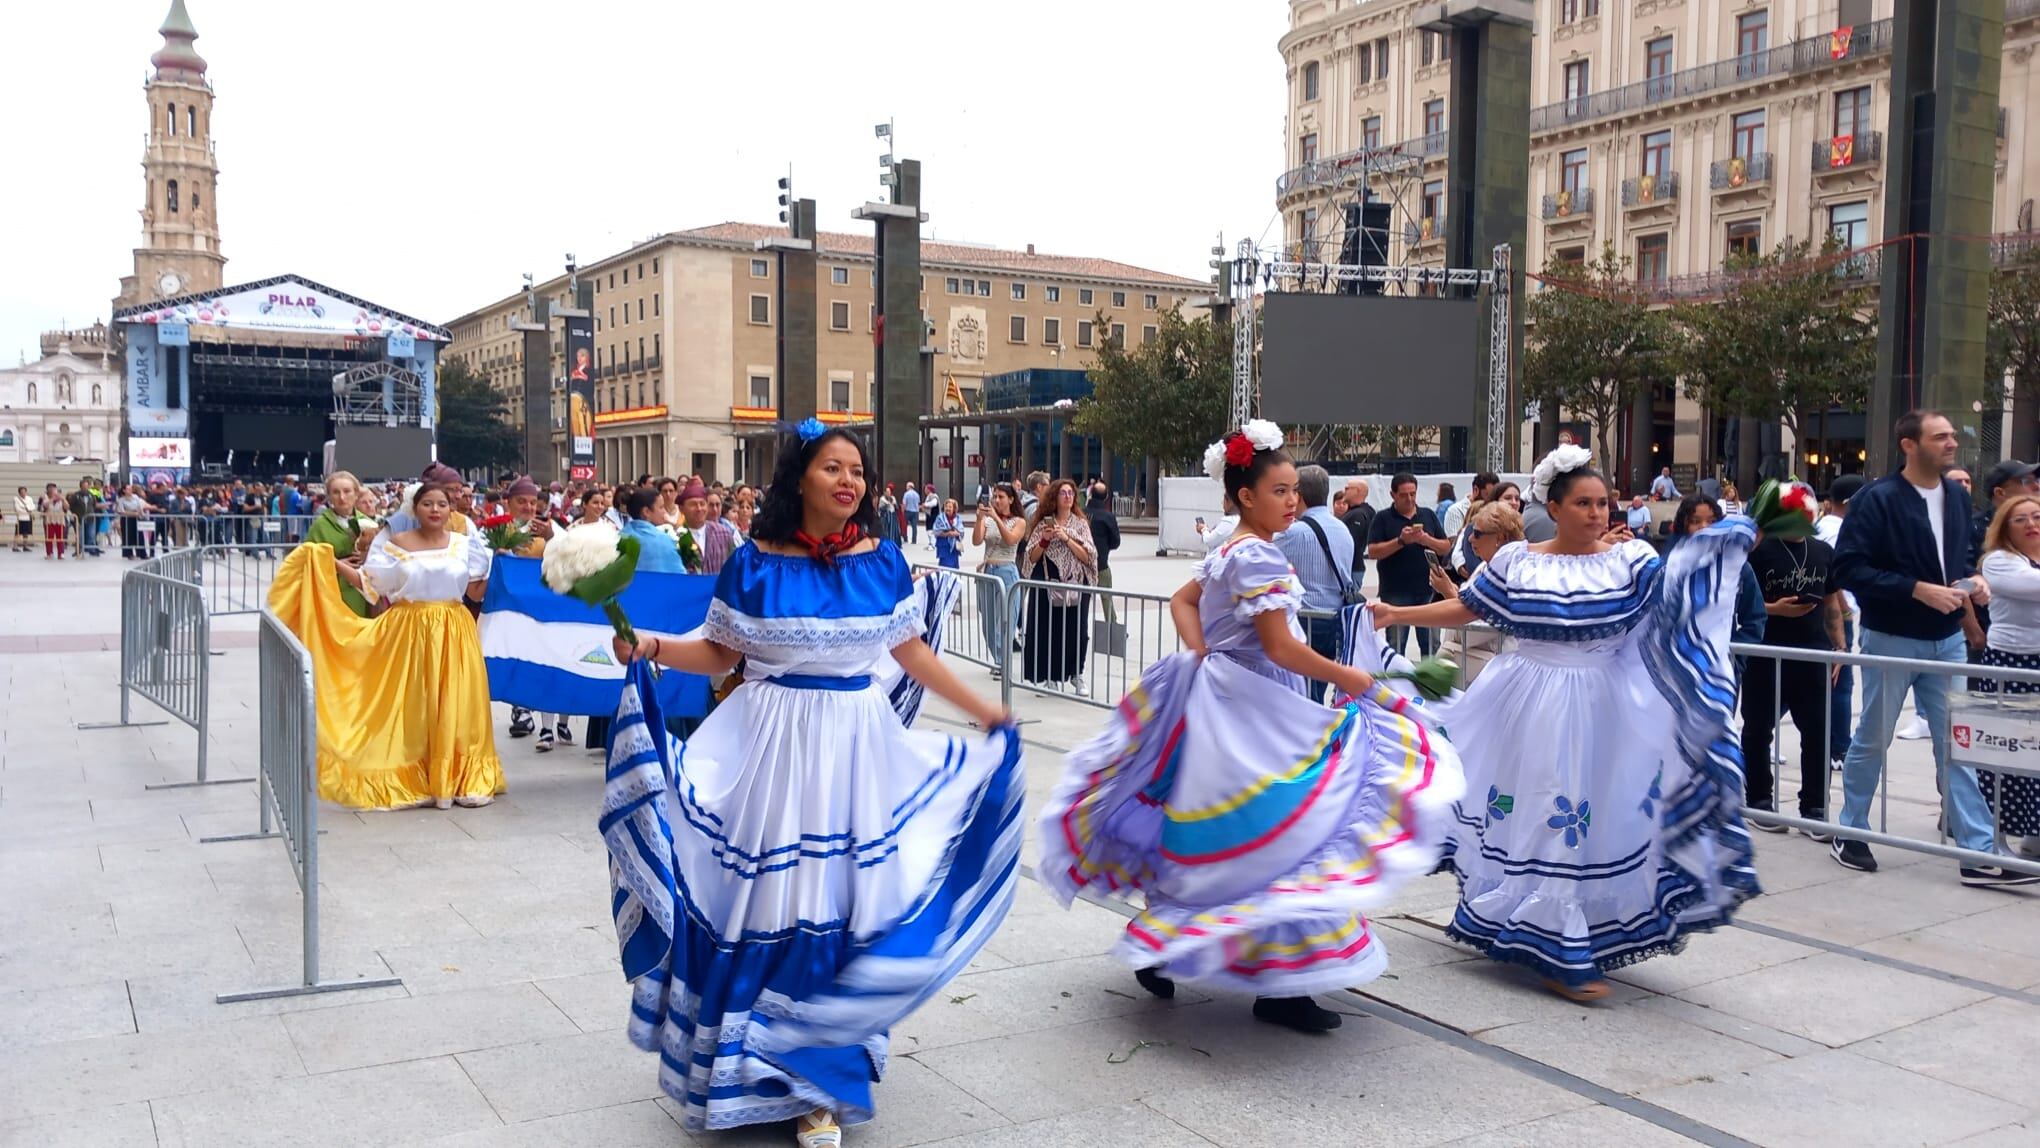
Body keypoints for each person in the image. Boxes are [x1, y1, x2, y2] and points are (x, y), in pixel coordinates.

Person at [603, 423, 1019, 1143]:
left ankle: (816, 1085)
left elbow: (909, 651)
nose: (849, 481)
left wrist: (984, 708)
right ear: (801, 478)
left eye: (858, 469)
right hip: (768, 752)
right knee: (759, 902)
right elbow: (719, 652)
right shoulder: (754, 563)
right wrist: (652, 646)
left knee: (840, 905)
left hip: (856, 753)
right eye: (833, 467)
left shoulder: (884, 561)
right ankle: (744, 1068)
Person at [1036, 421, 1462, 1034]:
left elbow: (1187, 604)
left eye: (1294, 490)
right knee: (1281, 833)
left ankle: (1181, 947)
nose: (1293, 501)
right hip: (1257, 705)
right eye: (1282, 490)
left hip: (1236, 700)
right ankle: (1275, 984)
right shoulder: (1255, 553)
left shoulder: (1230, 548)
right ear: (1245, 496)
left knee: (1233, 830)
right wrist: (1352, 679)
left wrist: (1204, 659)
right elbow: (1281, 648)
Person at [1373, 445, 1760, 1000]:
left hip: (1602, 705)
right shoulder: (1515, 562)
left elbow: (1679, 602)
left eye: (1602, 503)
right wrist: (1396, 613)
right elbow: (1469, 607)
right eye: (1583, 503)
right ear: (1553, 508)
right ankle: (1556, 943)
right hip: (1526, 699)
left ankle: (1565, 928)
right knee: (1546, 806)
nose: (1597, 513)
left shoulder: (1633, 563)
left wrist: (1721, 549)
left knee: (1589, 812)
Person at [1831, 411, 2030, 886]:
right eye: (1939, 437)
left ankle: (1978, 850)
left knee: (1959, 745)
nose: (1951, 443)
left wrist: (1975, 581)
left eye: (1950, 436)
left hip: (1946, 640)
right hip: (1891, 637)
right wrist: (1915, 589)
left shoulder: (1957, 499)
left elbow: (1960, 556)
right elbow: (1848, 568)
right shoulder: (1876, 500)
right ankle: (1850, 829)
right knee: (1873, 737)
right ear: (1908, 445)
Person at [268, 482, 505, 810]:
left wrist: (503, 565)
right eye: (428, 504)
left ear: (451, 510)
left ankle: (461, 776)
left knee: (456, 701)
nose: (435, 510)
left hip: (455, 630)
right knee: (414, 704)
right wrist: (329, 561)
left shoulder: (467, 545)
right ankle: (416, 775)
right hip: (410, 628)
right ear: (415, 509)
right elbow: (370, 585)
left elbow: (476, 593)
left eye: (442, 504)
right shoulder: (395, 544)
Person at [1740, 509, 1847, 835]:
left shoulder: (1822, 551)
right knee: (1758, 729)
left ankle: (1814, 807)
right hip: (1765, 652)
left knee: (1817, 732)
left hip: (1812, 653)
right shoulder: (1758, 550)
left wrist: (1839, 647)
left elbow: (1831, 603)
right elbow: (1741, 599)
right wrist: (1775, 609)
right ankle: (1759, 799)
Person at [1974, 493, 2040, 859]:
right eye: (2021, 519)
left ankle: (2035, 835)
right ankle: (1994, 838)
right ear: (2004, 527)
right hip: (2012, 666)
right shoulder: (1999, 562)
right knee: (2010, 754)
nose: (2031, 524)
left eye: (2037, 516)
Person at [1275, 464, 1356, 702]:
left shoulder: (1293, 533)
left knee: (1301, 693)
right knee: (1316, 687)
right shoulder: (1342, 528)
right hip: (1334, 618)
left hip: (1305, 620)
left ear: (1299, 495)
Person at [1021, 478, 1098, 694]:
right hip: (1049, 581)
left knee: (1078, 630)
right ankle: (1051, 677)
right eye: (1063, 493)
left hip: (1076, 582)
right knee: (1050, 629)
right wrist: (1045, 539)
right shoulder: (1043, 523)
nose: (1067, 496)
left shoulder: (1080, 525)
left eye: (1071, 493)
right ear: (1054, 497)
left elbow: (1089, 556)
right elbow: (1031, 558)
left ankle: (1076, 674)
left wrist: (1066, 538)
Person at [1366, 473, 1454, 658]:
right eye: (1404, 495)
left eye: (1413, 494)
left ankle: (1430, 685)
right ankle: (1397, 684)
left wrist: (1426, 539)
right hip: (1395, 592)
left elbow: (1445, 546)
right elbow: (1373, 551)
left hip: (1428, 590)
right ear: (1393, 495)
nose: (1410, 499)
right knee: (1396, 645)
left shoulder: (1428, 515)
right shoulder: (1382, 518)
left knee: (1431, 645)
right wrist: (1401, 541)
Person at [1817, 474, 1865, 765]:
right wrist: (1845, 609)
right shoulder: (1837, 531)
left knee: (1831, 681)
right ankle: (1839, 747)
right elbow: (1833, 577)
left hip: (1829, 610)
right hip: (1835, 614)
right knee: (1841, 682)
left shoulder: (1825, 527)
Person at [303, 471, 377, 617]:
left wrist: (367, 556)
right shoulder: (320, 526)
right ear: (329, 497)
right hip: (333, 595)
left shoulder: (370, 524)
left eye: (347, 491)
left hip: (364, 597)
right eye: (336, 492)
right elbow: (306, 560)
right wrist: (335, 564)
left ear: (356, 494)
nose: (342, 497)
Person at [974, 483, 1025, 678]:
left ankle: (1003, 662)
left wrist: (997, 518)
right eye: (995, 496)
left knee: (1006, 619)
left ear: (1011, 499)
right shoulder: (988, 520)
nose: (996, 500)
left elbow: (1011, 540)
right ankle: (998, 658)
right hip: (988, 569)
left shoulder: (1019, 521)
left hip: (1007, 570)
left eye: (1001, 497)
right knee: (988, 621)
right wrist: (980, 520)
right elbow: (977, 541)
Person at [1971, 460, 2038, 568]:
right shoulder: (1973, 528)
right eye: (2027, 481)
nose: (2037, 486)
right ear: (2000, 493)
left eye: (2037, 480)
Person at [621, 487, 683, 574]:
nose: (664, 512)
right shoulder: (663, 540)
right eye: (661, 507)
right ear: (646, 512)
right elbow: (679, 577)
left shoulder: (620, 536)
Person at [1085, 482, 1121, 622]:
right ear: (1106, 497)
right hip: (1101, 563)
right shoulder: (1108, 517)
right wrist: (1105, 547)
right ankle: (1111, 624)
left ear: (1091, 494)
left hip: (1082, 563)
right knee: (1106, 597)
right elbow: (1116, 542)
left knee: (1082, 597)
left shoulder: (1082, 513)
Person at [1340, 478, 1374, 587]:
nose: (1344, 491)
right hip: (1352, 568)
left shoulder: (1358, 515)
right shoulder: (1364, 512)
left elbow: (1351, 544)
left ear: (1358, 491)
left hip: (1351, 569)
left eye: (1347, 488)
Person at [1444, 472, 1497, 540]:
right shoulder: (1456, 511)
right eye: (1488, 495)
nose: (1491, 500)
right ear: (1476, 490)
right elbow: (1454, 542)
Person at [931, 497, 964, 569]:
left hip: (954, 548)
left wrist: (956, 533)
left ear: (954, 508)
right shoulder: (940, 518)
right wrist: (947, 534)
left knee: (954, 568)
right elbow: (936, 530)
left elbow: (961, 531)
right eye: (946, 506)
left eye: (950, 507)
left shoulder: (957, 518)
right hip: (944, 546)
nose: (947, 508)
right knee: (945, 568)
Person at [38, 483, 69, 559]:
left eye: (54, 489)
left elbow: (67, 507)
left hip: (60, 520)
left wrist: (63, 499)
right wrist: (52, 499)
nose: (52, 490)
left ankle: (61, 553)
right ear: (47, 490)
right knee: (49, 538)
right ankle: (49, 553)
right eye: (50, 489)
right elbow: (44, 506)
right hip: (49, 520)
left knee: (60, 538)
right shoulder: (44, 497)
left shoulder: (61, 498)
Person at [12, 486, 33, 552]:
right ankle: (15, 546)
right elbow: (17, 509)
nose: (23, 493)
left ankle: (25, 546)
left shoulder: (29, 498)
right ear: (19, 493)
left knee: (26, 533)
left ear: (26, 492)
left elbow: (32, 507)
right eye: (21, 492)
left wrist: (26, 508)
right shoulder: (16, 499)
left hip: (28, 518)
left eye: (24, 492)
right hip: (20, 518)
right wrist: (27, 509)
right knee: (17, 533)